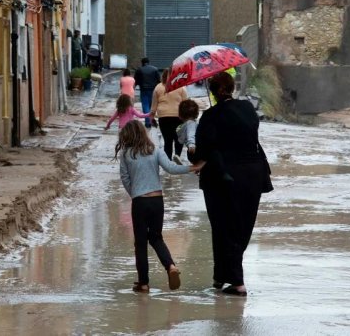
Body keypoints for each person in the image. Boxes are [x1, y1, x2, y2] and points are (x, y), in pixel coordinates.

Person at [190, 71, 273, 297]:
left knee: (223, 227)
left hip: (222, 178)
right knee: (243, 226)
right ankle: (221, 276)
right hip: (254, 175)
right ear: (231, 88)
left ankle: (237, 282)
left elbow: (202, 152)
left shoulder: (210, 116)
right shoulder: (247, 109)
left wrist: (191, 152)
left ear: (213, 92)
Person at [115, 120, 187, 293]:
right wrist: (193, 167)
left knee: (140, 243)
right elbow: (171, 168)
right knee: (156, 238)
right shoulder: (155, 150)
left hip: (140, 201)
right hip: (157, 200)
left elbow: (125, 179)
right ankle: (170, 266)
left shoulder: (126, 154)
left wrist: (135, 193)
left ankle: (144, 283)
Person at [149, 69, 188, 160]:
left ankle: (168, 160)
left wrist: (152, 117)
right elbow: (185, 103)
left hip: (163, 117)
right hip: (178, 116)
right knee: (178, 138)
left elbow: (154, 104)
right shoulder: (181, 87)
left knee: (167, 140)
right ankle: (177, 155)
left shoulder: (158, 87)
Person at [133, 57, 160, 128]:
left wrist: (133, 88)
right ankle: (151, 120)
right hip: (153, 90)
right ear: (148, 62)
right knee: (152, 106)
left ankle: (148, 122)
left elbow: (135, 81)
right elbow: (158, 80)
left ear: (142, 63)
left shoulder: (139, 70)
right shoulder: (155, 69)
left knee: (145, 105)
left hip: (144, 90)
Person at [175, 99, 200, 164]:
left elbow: (181, 141)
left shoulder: (183, 126)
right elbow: (190, 134)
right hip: (195, 150)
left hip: (190, 154)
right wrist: (191, 145)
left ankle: (198, 167)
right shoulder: (190, 123)